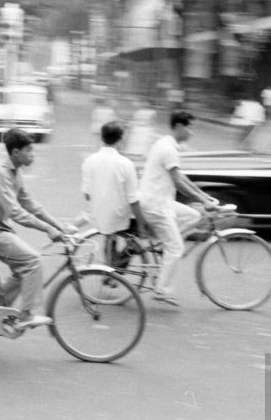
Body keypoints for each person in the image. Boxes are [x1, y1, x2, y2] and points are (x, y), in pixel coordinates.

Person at [0, 128, 67, 329]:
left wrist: (57, 225)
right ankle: (26, 315)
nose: (33, 154)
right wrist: (47, 229)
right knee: (33, 261)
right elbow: (15, 212)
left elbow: (30, 204)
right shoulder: (0, 173)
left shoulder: (16, 172)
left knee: (22, 270)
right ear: (16, 153)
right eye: (29, 150)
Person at [138, 111, 218, 307]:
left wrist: (204, 197)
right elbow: (178, 182)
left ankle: (166, 244)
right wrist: (203, 199)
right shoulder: (168, 149)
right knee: (176, 248)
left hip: (161, 201)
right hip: (156, 205)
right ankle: (161, 290)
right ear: (180, 127)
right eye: (191, 128)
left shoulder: (166, 144)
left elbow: (181, 177)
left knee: (193, 215)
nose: (192, 133)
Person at [81, 122, 150, 266]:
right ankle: (118, 266)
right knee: (140, 230)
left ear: (102, 137)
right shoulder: (125, 164)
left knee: (109, 235)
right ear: (121, 139)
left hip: (99, 213)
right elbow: (133, 199)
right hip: (120, 215)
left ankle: (110, 267)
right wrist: (142, 225)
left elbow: (87, 194)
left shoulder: (89, 161)